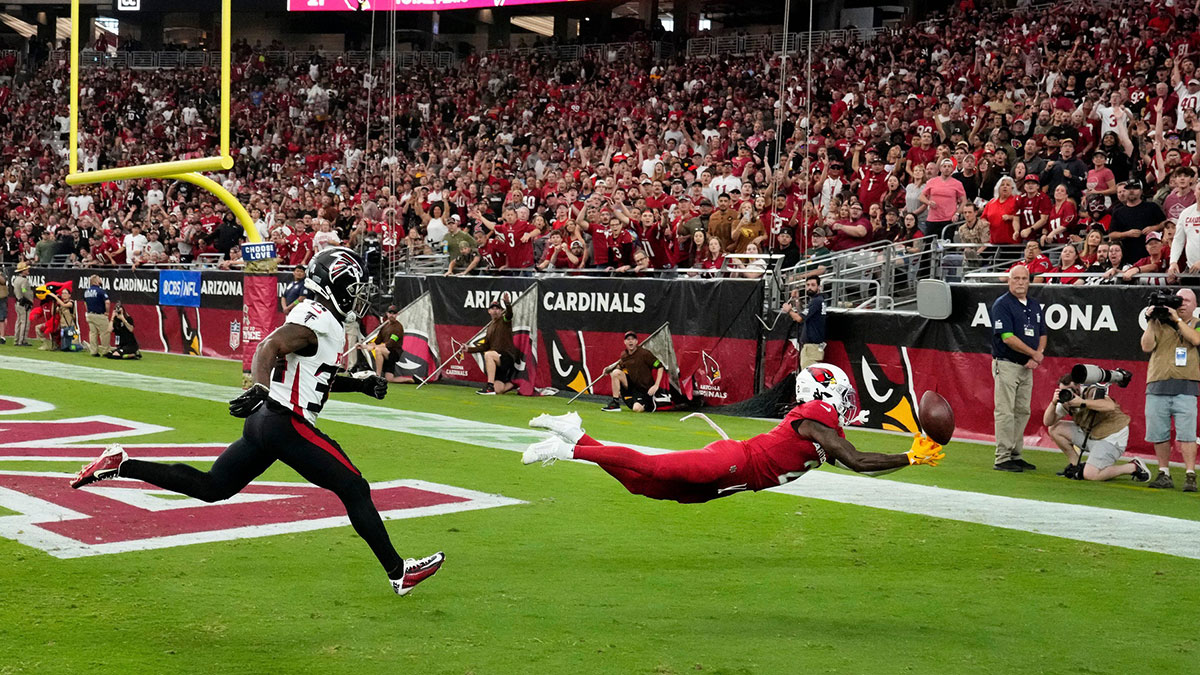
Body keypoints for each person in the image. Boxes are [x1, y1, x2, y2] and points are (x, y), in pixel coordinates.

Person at [71, 247, 444, 596]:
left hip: (266, 422)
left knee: (213, 486)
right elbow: (269, 347)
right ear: (335, 285)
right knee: (354, 487)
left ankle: (122, 464)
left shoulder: (313, 315)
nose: (357, 296)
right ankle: (399, 572)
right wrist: (261, 387)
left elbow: (313, 377)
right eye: (353, 287)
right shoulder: (319, 321)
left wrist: (357, 385)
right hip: (286, 422)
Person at [522, 364, 945, 503]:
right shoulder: (814, 414)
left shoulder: (823, 427)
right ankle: (568, 449)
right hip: (733, 461)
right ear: (823, 391)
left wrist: (908, 457)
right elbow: (855, 458)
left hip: (735, 480)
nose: (847, 401)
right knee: (650, 467)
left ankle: (578, 434)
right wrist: (909, 456)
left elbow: (860, 465)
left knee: (640, 486)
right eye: (841, 393)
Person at [1140, 288, 1200, 491]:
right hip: (1158, 383)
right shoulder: (1158, 321)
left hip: (1186, 385)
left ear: (1195, 305)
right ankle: (1164, 472)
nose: (1182, 303)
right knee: (1159, 433)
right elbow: (1146, 347)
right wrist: (1151, 320)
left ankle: (1190, 474)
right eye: (1179, 299)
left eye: (1187, 301)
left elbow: (1196, 340)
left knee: (1187, 435)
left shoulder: (1197, 324)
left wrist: (1176, 320)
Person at [1043, 373, 1150, 482]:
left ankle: (1133, 467)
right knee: (1055, 428)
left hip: (1111, 437)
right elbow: (1047, 422)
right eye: (1063, 391)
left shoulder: (1092, 391)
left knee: (1090, 475)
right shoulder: (1067, 400)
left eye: (1071, 390)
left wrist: (1082, 402)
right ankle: (1075, 465)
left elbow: (1109, 406)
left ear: (1078, 386)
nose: (1068, 393)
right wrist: (1053, 403)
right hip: (1092, 435)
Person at [990, 265, 1046, 472]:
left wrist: (1037, 355)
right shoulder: (1002, 305)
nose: (1021, 282)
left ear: (1029, 281)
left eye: (1024, 278)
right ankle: (1002, 456)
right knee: (1005, 411)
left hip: (1027, 366)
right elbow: (1007, 338)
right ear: (1009, 280)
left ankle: (1016, 453)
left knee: (1022, 411)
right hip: (1007, 363)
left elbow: (1042, 333)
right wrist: (1033, 354)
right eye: (1016, 278)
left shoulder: (1034, 305)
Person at [601, 331, 667, 413]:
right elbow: (619, 366)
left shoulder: (645, 353)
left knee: (636, 409)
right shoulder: (624, 355)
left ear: (636, 341)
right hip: (632, 387)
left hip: (645, 390)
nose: (630, 341)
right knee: (615, 373)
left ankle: (649, 404)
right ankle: (615, 403)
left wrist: (656, 385)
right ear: (625, 342)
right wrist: (608, 369)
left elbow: (660, 366)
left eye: (633, 339)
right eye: (628, 339)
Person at [469, 294, 519, 395]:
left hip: (506, 356)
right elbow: (485, 346)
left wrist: (507, 303)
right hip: (497, 361)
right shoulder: (490, 328)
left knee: (488, 354)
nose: (495, 310)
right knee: (499, 390)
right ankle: (514, 384)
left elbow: (509, 314)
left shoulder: (505, 321)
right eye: (493, 308)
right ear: (489, 311)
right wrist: (468, 349)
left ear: (501, 311)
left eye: (497, 308)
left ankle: (489, 386)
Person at [781, 276, 827, 369]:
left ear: (819, 287)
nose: (810, 287)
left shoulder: (816, 301)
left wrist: (789, 310)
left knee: (808, 376)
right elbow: (803, 315)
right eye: (808, 285)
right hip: (814, 346)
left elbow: (799, 319)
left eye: (813, 285)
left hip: (812, 347)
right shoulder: (819, 300)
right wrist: (797, 300)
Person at [369, 304, 412, 384]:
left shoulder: (398, 327)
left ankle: (377, 376)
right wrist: (364, 346)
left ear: (397, 314)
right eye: (390, 313)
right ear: (387, 313)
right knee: (390, 379)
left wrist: (375, 347)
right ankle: (410, 379)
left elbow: (390, 343)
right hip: (386, 353)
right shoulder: (384, 326)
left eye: (394, 313)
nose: (392, 315)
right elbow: (377, 341)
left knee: (378, 350)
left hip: (394, 353)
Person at [82, 274, 111, 357]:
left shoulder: (86, 292)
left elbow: (85, 303)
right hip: (99, 315)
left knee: (93, 333)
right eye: (99, 279)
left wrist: (88, 311)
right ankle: (106, 351)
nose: (101, 280)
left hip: (90, 314)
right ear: (96, 281)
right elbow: (107, 302)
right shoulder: (101, 291)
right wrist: (107, 312)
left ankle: (93, 351)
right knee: (105, 333)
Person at [10, 262, 34, 346]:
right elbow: (24, 291)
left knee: (19, 321)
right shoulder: (24, 280)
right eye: (26, 269)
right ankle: (22, 340)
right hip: (24, 303)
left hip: (18, 302)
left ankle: (16, 339)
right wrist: (28, 300)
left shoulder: (16, 279)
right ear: (23, 271)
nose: (28, 270)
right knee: (25, 322)